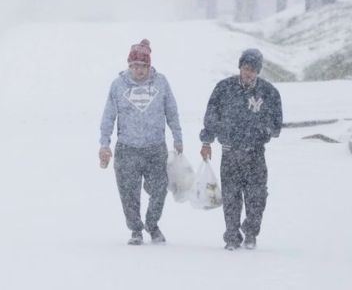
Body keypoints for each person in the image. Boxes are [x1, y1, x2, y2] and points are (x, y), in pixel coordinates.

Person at [99, 38, 184, 246]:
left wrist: (177, 137)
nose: (138, 70)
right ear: (129, 66)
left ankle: (152, 224)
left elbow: (171, 111)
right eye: (134, 66)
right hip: (127, 149)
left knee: (159, 188)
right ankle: (136, 229)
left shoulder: (161, 83)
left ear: (149, 66)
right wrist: (104, 143)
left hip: (155, 148)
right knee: (129, 193)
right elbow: (108, 116)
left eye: (142, 66)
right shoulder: (118, 85)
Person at [199, 48, 283, 251]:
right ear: (240, 67)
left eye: (253, 70)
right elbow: (210, 118)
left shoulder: (269, 92)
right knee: (231, 197)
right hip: (230, 153)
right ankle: (232, 237)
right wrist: (206, 142)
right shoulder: (224, 88)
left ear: (258, 71)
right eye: (246, 68)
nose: (249, 73)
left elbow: (276, 125)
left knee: (258, 197)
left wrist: (263, 129)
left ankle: (251, 232)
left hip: (255, 153)